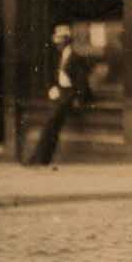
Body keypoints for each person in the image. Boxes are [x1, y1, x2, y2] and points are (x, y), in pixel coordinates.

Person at [27, 23, 93, 167]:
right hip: (62, 93)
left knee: (51, 123)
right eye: (57, 42)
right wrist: (54, 88)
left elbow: (81, 83)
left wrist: (78, 99)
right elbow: (59, 78)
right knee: (51, 125)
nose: (57, 44)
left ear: (66, 41)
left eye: (60, 41)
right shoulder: (61, 56)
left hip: (70, 95)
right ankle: (40, 158)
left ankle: (40, 159)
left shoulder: (75, 58)